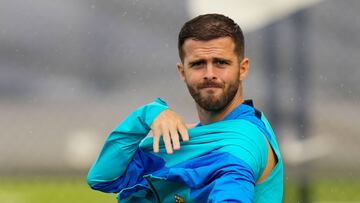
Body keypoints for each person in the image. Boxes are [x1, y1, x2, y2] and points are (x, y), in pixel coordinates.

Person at [87, 13, 283, 202]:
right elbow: (104, 178)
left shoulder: (243, 142)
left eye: (221, 63)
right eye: (198, 64)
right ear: (182, 71)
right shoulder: (193, 137)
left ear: (243, 68)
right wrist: (146, 114)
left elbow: (232, 183)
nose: (210, 74)